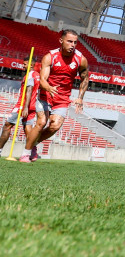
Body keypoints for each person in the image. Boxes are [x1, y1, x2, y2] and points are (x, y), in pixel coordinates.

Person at [27, 30, 90, 162]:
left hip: (63, 97)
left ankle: (33, 144)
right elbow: (43, 79)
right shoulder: (51, 56)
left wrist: (80, 97)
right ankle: (26, 152)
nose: (73, 45)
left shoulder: (81, 59)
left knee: (55, 126)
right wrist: (48, 87)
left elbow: (85, 78)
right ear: (61, 41)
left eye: (75, 42)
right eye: (69, 41)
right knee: (41, 123)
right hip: (46, 93)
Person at [0, 63, 41, 161]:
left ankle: (0, 150)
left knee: (7, 125)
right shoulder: (37, 75)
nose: (23, 66)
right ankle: (31, 151)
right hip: (32, 105)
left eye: (25, 64)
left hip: (22, 105)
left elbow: (29, 90)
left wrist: (25, 107)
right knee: (28, 129)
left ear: (31, 65)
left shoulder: (30, 75)